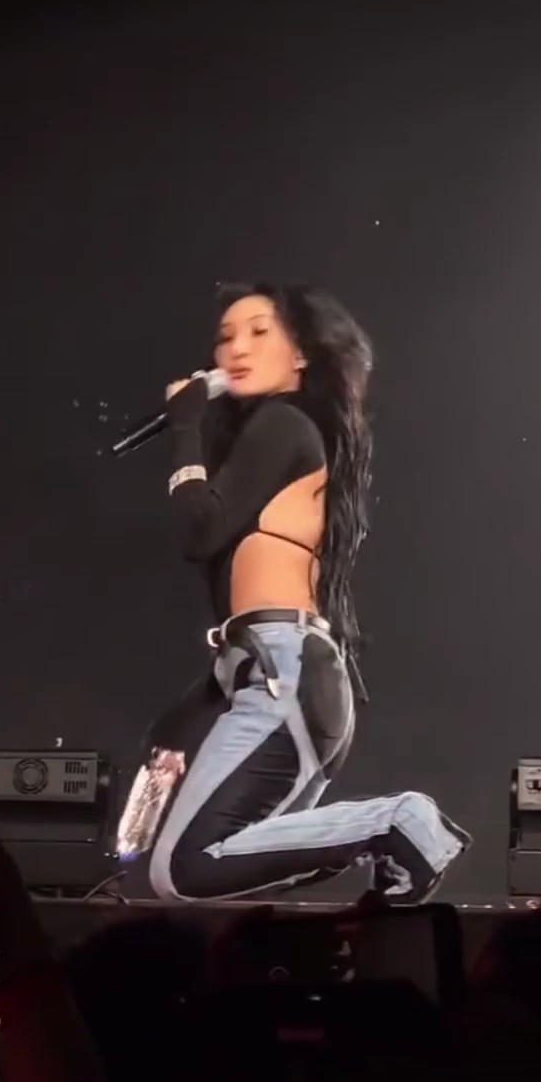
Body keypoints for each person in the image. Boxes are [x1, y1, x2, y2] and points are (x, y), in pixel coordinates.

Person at [118, 283, 471, 903]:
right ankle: (377, 844)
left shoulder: (282, 424)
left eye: (259, 332)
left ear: (302, 353)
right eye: (225, 337)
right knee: (231, 866)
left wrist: (186, 428)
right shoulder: (271, 435)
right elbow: (242, 610)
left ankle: (398, 821)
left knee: (183, 870)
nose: (237, 349)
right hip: (276, 672)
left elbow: (199, 531)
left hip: (285, 676)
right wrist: (182, 717)